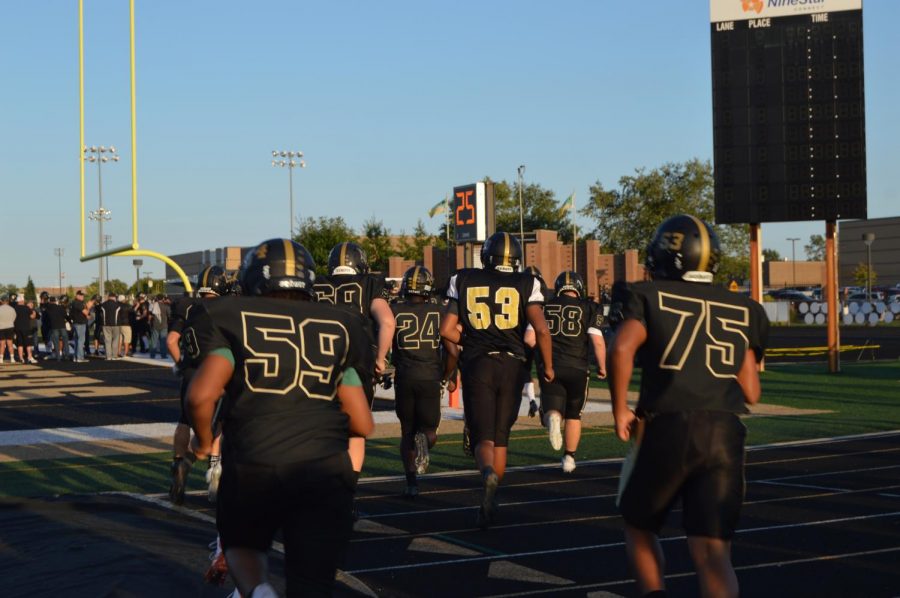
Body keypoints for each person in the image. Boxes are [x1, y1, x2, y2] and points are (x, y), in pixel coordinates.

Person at [186, 239, 374, 597]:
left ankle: (258, 590)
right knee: (313, 582)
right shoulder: (340, 326)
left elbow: (201, 394)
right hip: (324, 469)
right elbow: (362, 423)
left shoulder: (233, 318)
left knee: (242, 545)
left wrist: (203, 441)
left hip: (257, 461)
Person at [609, 214, 769, 598]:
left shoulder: (646, 295)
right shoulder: (744, 307)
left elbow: (621, 347)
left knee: (638, 526)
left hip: (669, 424)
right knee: (713, 552)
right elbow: (751, 390)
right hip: (726, 432)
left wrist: (620, 408)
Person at [439, 232, 554, 529]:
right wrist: (548, 368)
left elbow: (446, 329)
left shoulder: (463, 278)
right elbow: (541, 331)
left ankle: (487, 473)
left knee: (483, 437)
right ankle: (494, 491)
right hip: (513, 366)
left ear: (486, 256)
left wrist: (474, 338)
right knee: (501, 436)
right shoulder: (527, 282)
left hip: (479, 363)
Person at [314, 242, 396, 487]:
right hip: (356, 364)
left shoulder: (317, 284)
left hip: (318, 364)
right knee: (355, 432)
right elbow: (388, 323)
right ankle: (347, 490)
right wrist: (380, 359)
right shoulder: (369, 283)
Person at [527, 271, 606, 473]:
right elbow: (597, 341)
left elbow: (530, 339)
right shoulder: (590, 308)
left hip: (551, 367)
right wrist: (603, 366)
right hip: (578, 368)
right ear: (578, 288)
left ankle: (553, 418)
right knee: (573, 415)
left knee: (552, 409)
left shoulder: (543, 307)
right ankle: (569, 458)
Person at [390, 266, 457, 498]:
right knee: (429, 432)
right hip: (429, 376)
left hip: (405, 377)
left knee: (406, 431)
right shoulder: (440, 310)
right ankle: (424, 444)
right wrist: (447, 377)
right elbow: (453, 352)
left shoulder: (394, 309)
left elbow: (386, 342)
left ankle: (411, 483)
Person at [167, 266, 229, 505]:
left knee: (184, 420)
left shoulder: (187, 306)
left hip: (191, 372)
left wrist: (181, 364)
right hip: (215, 374)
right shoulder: (226, 309)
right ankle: (213, 475)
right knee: (218, 426)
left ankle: (177, 461)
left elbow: (172, 340)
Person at [14, 296, 38, 364]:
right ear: (22, 301)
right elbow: (32, 317)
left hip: (17, 328)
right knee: (28, 344)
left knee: (20, 344)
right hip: (26, 328)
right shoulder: (26, 308)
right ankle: (29, 357)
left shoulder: (15, 308)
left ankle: (21, 358)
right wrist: (34, 312)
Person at [68, 290, 91, 363]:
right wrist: (88, 307)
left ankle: (75, 356)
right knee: (81, 341)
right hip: (80, 323)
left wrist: (87, 315)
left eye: (83, 295)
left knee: (77, 341)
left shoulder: (73, 303)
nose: (82, 296)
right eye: (81, 295)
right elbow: (86, 312)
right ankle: (80, 357)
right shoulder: (78, 303)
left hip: (76, 323)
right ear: (77, 295)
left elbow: (85, 314)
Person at [99, 292, 122, 360]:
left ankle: (108, 356)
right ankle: (114, 356)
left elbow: (101, 314)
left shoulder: (103, 305)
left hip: (106, 325)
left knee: (107, 340)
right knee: (115, 340)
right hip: (116, 324)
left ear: (108, 297)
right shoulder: (118, 305)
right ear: (114, 297)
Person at [0, 295, 16, 364]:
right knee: (10, 343)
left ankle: (1, 359)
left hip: (1, 327)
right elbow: (14, 317)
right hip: (10, 327)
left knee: (2, 344)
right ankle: (12, 358)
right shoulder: (12, 309)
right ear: (8, 301)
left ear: (1, 301)